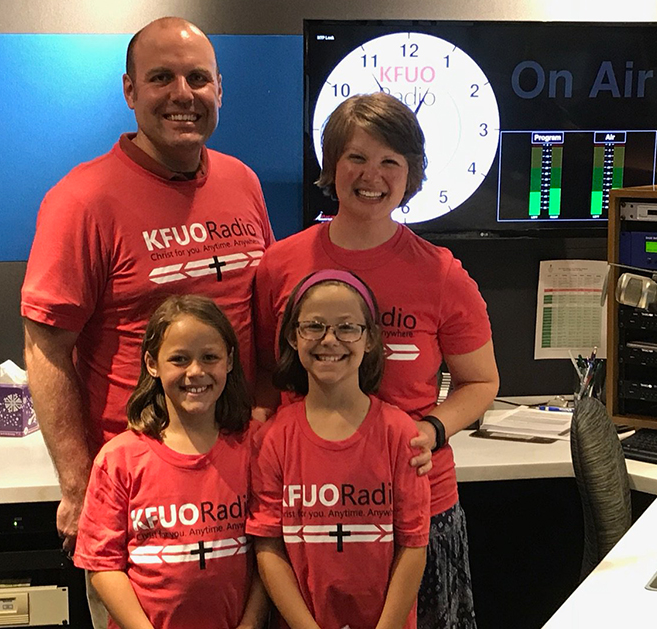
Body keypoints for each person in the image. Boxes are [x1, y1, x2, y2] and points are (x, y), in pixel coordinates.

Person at [21, 15, 274, 559]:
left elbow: (264, 315)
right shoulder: (82, 200)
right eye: (162, 78)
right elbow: (46, 348)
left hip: (241, 471)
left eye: (198, 79)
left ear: (219, 90)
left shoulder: (243, 182)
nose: (183, 95)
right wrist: (75, 482)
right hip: (139, 486)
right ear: (130, 91)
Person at [253, 92, 499, 628]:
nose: (373, 174)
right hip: (309, 512)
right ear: (332, 167)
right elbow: (263, 381)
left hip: (419, 508)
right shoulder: (280, 265)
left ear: (410, 173)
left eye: (391, 161)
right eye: (356, 158)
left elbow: (480, 382)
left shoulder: (440, 273)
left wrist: (432, 429)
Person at [248, 270, 430, 629]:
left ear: (371, 339)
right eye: (314, 326)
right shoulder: (273, 439)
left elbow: (413, 545)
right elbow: (268, 548)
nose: (329, 340)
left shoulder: (399, 433)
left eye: (347, 327)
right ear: (292, 336)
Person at [75, 295, 267, 629]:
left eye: (210, 357)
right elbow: (102, 566)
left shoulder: (255, 445)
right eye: (179, 359)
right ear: (152, 364)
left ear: (230, 360)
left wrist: (250, 625)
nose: (196, 372)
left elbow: (268, 550)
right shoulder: (120, 459)